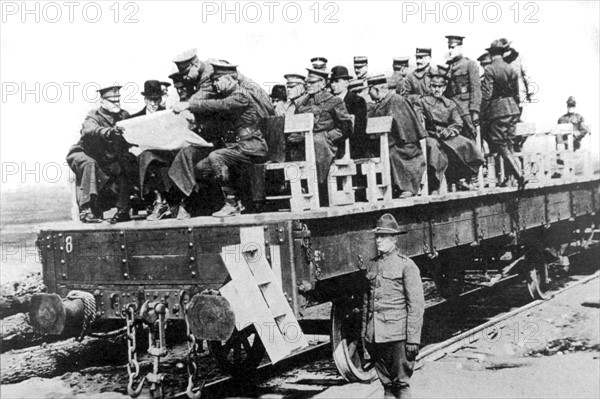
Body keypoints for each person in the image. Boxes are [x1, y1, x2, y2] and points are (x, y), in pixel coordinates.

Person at [172, 62, 268, 217]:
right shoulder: (230, 96)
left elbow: (220, 105)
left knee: (216, 156)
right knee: (201, 168)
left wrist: (189, 105)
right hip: (238, 147)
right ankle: (219, 201)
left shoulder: (240, 95)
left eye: (217, 80)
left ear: (229, 79)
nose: (214, 84)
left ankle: (232, 203)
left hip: (252, 147)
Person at [364, 213, 425, 399]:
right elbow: (367, 304)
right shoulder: (372, 265)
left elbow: (416, 304)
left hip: (398, 336)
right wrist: (365, 334)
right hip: (376, 336)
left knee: (401, 384)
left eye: (383, 236)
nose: (378, 240)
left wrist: (413, 339)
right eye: (377, 236)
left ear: (394, 239)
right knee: (387, 384)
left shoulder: (407, 266)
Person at [66, 85, 137, 224]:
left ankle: (123, 209)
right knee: (89, 164)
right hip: (84, 153)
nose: (117, 104)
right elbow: (89, 129)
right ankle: (86, 209)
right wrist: (107, 132)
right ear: (102, 102)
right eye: (112, 101)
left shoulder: (123, 115)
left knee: (127, 162)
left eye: (118, 100)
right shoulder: (93, 116)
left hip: (108, 158)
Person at [416, 66, 484, 193]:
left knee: (466, 144)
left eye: (439, 87)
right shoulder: (423, 102)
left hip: (447, 135)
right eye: (434, 86)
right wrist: (423, 121)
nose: (437, 89)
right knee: (434, 149)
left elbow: (457, 122)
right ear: (430, 87)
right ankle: (435, 185)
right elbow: (418, 119)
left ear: (444, 88)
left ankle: (464, 178)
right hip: (430, 135)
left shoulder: (450, 104)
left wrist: (450, 130)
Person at [292, 67, 353, 204]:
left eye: (312, 82)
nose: (308, 85)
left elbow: (346, 127)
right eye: (307, 82)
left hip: (330, 145)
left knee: (317, 141)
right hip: (306, 142)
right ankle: (298, 187)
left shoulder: (334, 101)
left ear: (323, 84)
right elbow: (296, 124)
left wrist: (327, 136)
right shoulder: (302, 103)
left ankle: (319, 187)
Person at [367, 75, 427, 198]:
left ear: (377, 90)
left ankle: (407, 187)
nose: (369, 93)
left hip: (405, 146)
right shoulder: (381, 103)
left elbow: (405, 132)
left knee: (392, 154)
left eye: (370, 90)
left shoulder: (397, 101)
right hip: (388, 143)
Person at [481, 39, 525, 188]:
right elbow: (516, 93)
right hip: (512, 108)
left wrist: (482, 112)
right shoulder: (510, 68)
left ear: (491, 54)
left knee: (499, 142)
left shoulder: (489, 69)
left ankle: (519, 174)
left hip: (498, 110)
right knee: (509, 143)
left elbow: (487, 94)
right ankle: (512, 177)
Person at [445, 35, 482, 141]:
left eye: (453, 47)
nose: (450, 50)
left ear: (460, 48)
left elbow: (476, 88)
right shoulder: (449, 66)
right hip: (453, 107)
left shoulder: (470, 64)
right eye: (449, 48)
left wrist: (475, 111)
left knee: (471, 136)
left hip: (466, 108)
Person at [329, 65, 368, 158]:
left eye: (337, 81)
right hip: (332, 145)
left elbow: (359, 129)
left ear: (346, 83)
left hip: (352, 147)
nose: (333, 85)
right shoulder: (329, 101)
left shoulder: (357, 101)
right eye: (331, 82)